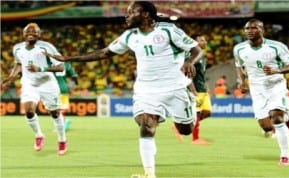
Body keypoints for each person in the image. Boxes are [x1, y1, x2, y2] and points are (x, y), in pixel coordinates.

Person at [44, 1, 202, 178]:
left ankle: (192, 105)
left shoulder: (168, 30)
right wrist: (69, 58)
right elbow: (104, 53)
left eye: (131, 12)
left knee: (186, 130)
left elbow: (196, 50)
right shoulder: (129, 36)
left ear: (145, 15)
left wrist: (189, 61)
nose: (127, 16)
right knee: (146, 124)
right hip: (146, 90)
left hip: (175, 88)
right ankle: (149, 173)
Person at [233, 18, 289, 166]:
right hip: (256, 89)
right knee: (267, 127)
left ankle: (285, 156)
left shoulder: (276, 47)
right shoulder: (239, 49)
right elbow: (239, 66)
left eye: (253, 28)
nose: (249, 31)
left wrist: (276, 70)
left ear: (262, 30)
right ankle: (288, 118)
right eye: (247, 29)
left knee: (276, 119)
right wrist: (242, 81)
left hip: (275, 85)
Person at [0, 23, 68, 155]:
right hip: (29, 83)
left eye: (34, 31)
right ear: (23, 34)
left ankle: (62, 140)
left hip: (47, 83)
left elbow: (61, 67)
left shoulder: (47, 47)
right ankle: (39, 135)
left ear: (39, 34)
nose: (31, 33)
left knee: (54, 113)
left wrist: (41, 68)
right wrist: (11, 76)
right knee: (29, 111)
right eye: (28, 31)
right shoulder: (17, 48)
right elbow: (19, 63)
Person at [172, 34, 212, 145]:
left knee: (207, 112)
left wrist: (206, 86)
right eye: (202, 40)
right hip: (195, 89)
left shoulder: (202, 57)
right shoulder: (190, 56)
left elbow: (200, 74)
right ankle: (195, 138)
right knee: (198, 113)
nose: (205, 42)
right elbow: (185, 72)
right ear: (194, 42)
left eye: (205, 40)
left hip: (202, 88)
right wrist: (192, 89)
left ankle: (179, 124)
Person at [55, 62, 78, 131]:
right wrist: (76, 83)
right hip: (64, 88)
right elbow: (74, 75)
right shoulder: (67, 64)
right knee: (61, 108)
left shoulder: (50, 63)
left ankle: (63, 123)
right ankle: (63, 122)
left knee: (55, 108)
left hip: (54, 88)